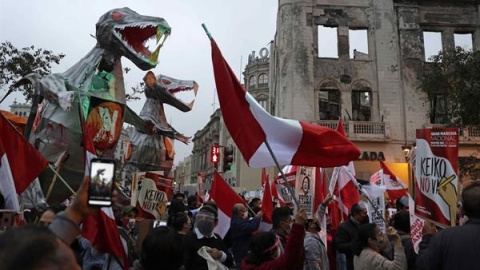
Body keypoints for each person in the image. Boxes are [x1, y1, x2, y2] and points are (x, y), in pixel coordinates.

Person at [416, 181, 480, 270]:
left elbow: (424, 265)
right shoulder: (446, 236)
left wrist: (427, 238)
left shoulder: (445, 237)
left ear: (462, 209)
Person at [242, 208, 307, 270]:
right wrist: (298, 228)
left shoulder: (284, 238)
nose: (292, 223)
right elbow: (288, 261)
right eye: (290, 220)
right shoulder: (270, 241)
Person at [183, 202, 234, 270]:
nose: (204, 221)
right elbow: (184, 263)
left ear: (215, 222)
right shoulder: (189, 238)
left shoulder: (217, 238)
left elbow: (230, 262)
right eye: (201, 217)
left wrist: (220, 255)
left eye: (207, 218)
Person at [333, 202, 369, 270]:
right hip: (352, 264)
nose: (366, 215)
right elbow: (338, 246)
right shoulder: (344, 227)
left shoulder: (365, 223)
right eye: (364, 213)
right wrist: (354, 245)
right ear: (356, 215)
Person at [230, 203, 264, 269]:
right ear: (239, 213)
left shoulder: (239, 220)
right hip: (241, 254)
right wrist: (257, 217)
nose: (246, 211)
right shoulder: (236, 223)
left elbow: (249, 223)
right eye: (245, 210)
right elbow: (252, 227)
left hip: (244, 251)